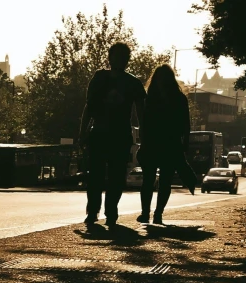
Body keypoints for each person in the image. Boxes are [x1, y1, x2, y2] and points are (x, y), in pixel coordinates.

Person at [78, 42, 146, 226]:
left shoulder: (130, 82)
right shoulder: (105, 79)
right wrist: (82, 131)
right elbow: (89, 107)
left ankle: (108, 211)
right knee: (97, 176)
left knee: (113, 177)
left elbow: (141, 112)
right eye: (117, 56)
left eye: (123, 57)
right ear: (110, 58)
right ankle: (95, 211)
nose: (120, 60)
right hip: (103, 133)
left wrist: (144, 135)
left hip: (117, 135)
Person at [137, 64, 196, 225]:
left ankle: (146, 213)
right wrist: (185, 144)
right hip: (171, 143)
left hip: (152, 143)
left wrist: (142, 141)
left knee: (148, 181)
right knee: (165, 181)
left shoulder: (149, 98)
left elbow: (143, 122)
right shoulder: (179, 98)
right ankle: (158, 213)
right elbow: (186, 124)